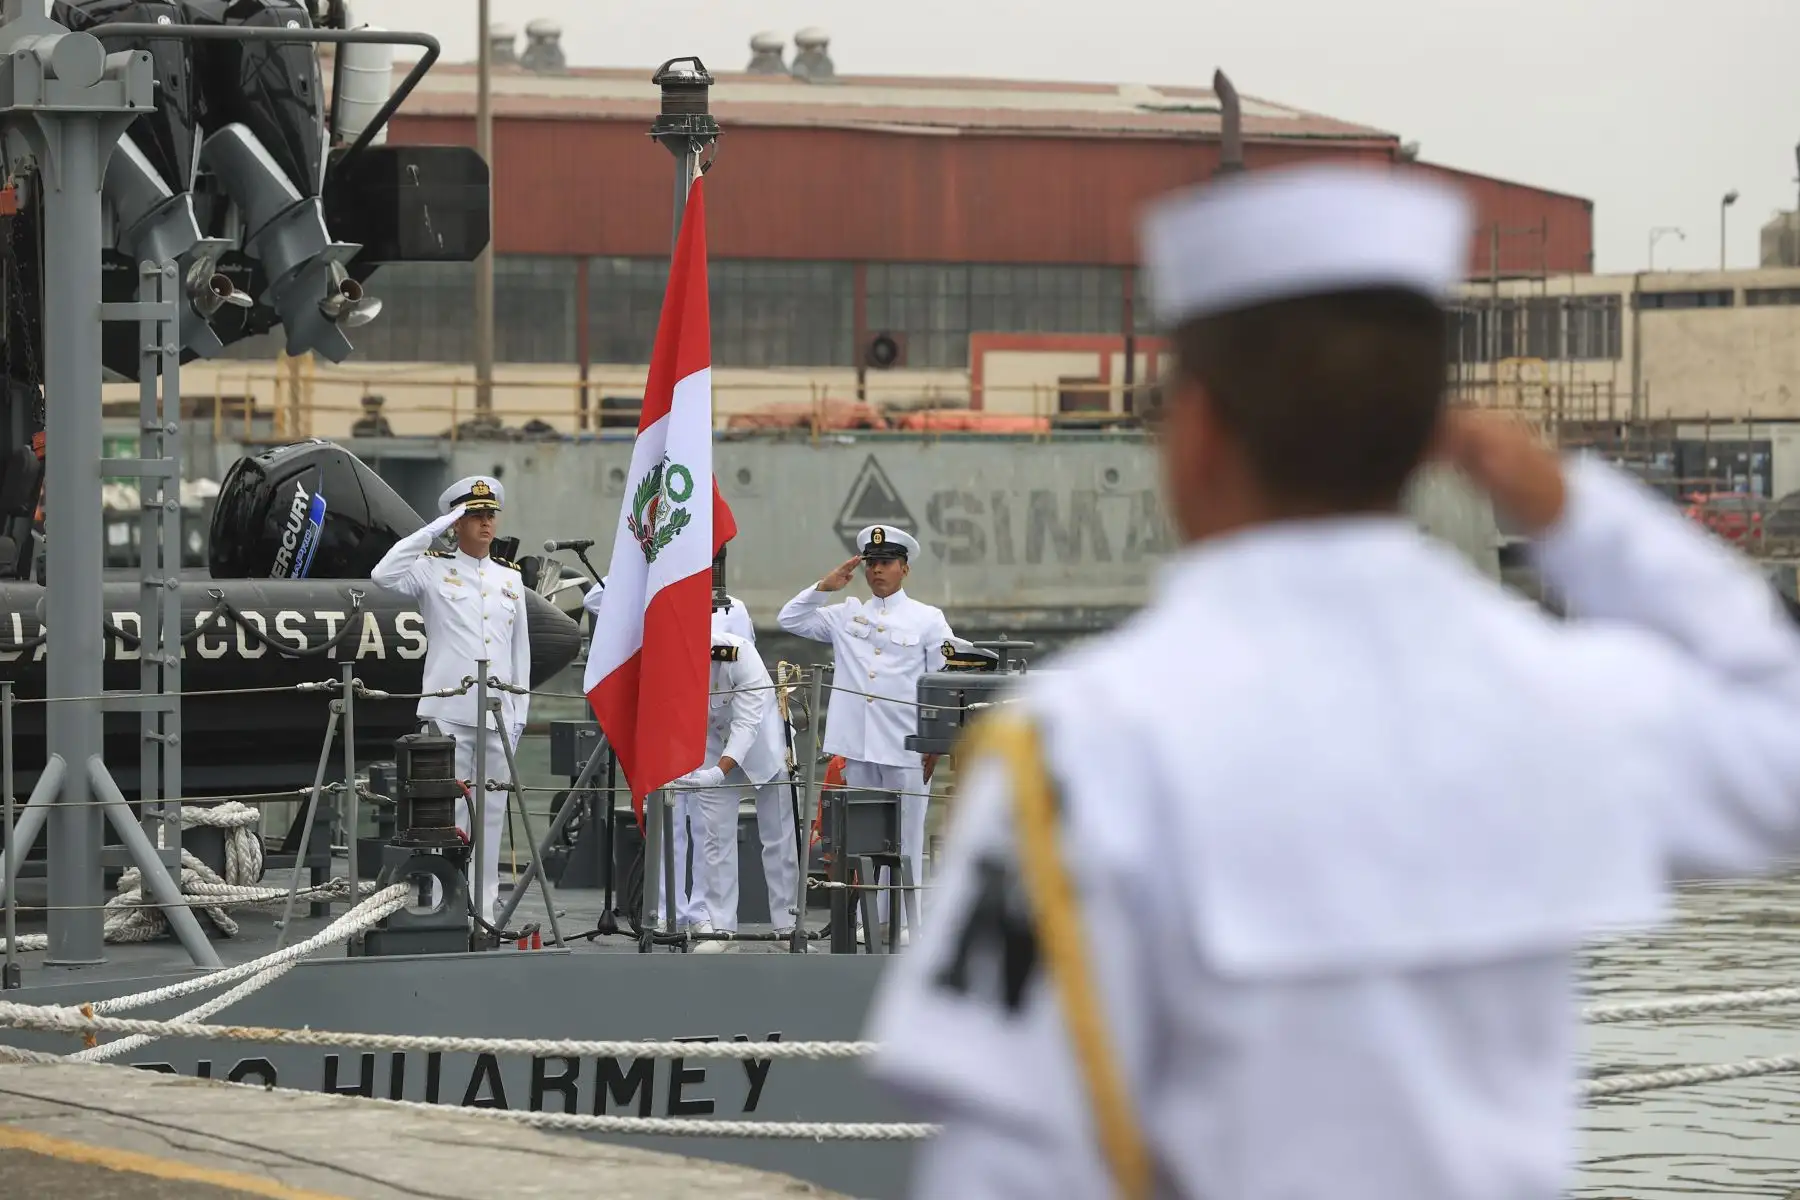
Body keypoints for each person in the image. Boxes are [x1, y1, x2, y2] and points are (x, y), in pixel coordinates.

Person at [865, 163, 1800, 1199]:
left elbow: (1007, 1165)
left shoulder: (1077, 748)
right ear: (1426, 440)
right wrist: (1577, 512)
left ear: (1201, 432)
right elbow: (1781, 732)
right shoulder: (1570, 701)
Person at [779, 524, 954, 939]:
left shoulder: (928, 620)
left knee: (906, 836)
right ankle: (866, 921)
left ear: (904, 569)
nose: (877, 571)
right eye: (871, 564)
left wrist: (937, 741)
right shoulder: (845, 614)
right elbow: (790, 618)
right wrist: (826, 586)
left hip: (905, 745)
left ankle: (907, 920)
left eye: (886, 563)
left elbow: (945, 679)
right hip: (857, 744)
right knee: (863, 838)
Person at [372, 475, 530, 924]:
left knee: (492, 810)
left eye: (488, 515)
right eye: (474, 515)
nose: (485, 523)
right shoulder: (431, 567)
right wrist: (433, 528)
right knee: (447, 812)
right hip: (449, 712)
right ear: (457, 522)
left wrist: (519, 715)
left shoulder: (509, 579)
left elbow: (521, 654)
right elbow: (382, 574)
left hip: (498, 712)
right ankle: (446, 900)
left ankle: (484, 904)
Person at [666, 614, 782, 951]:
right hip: (711, 744)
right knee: (715, 839)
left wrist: (719, 771)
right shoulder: (668, 659)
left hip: (763, 746)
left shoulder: (737, 654)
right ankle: (721, 929)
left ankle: (787, 926)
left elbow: (746, 724)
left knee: (777, 839)